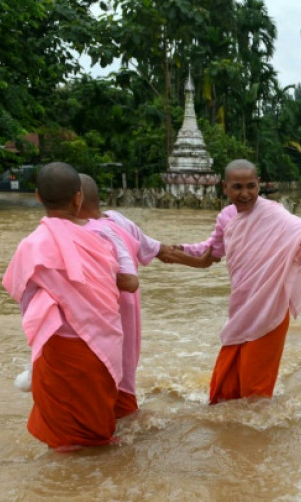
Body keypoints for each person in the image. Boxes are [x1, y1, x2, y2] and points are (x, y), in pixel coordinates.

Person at [168, 159, 301, 403]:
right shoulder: (226, 217)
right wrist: (179, 249)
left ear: (259, 185)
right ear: (225, 187)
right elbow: (211, 249)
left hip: (270, 305)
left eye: (250, 186)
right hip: (241, 305)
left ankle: (256, 437)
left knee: (255, 395)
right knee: (224, 391)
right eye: (237, 187)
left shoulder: (273, 212)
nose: (245, 193)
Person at [2, 162, 129, 450]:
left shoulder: (31, 245)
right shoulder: (101, 239)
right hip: (102, 346)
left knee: (64, 442)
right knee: (97, 433)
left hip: (59, 348)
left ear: (37, 196)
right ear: (78, 197)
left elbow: (24, 298)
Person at [76, 174, 210, 418]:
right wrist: (202, 261)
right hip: (130, 322)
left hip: (109, 323)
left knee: (108, 395)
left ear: (75, 200)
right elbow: (162, 251)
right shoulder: (116, 219)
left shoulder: (91, 235)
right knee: (124, 379)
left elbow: (126, 280)